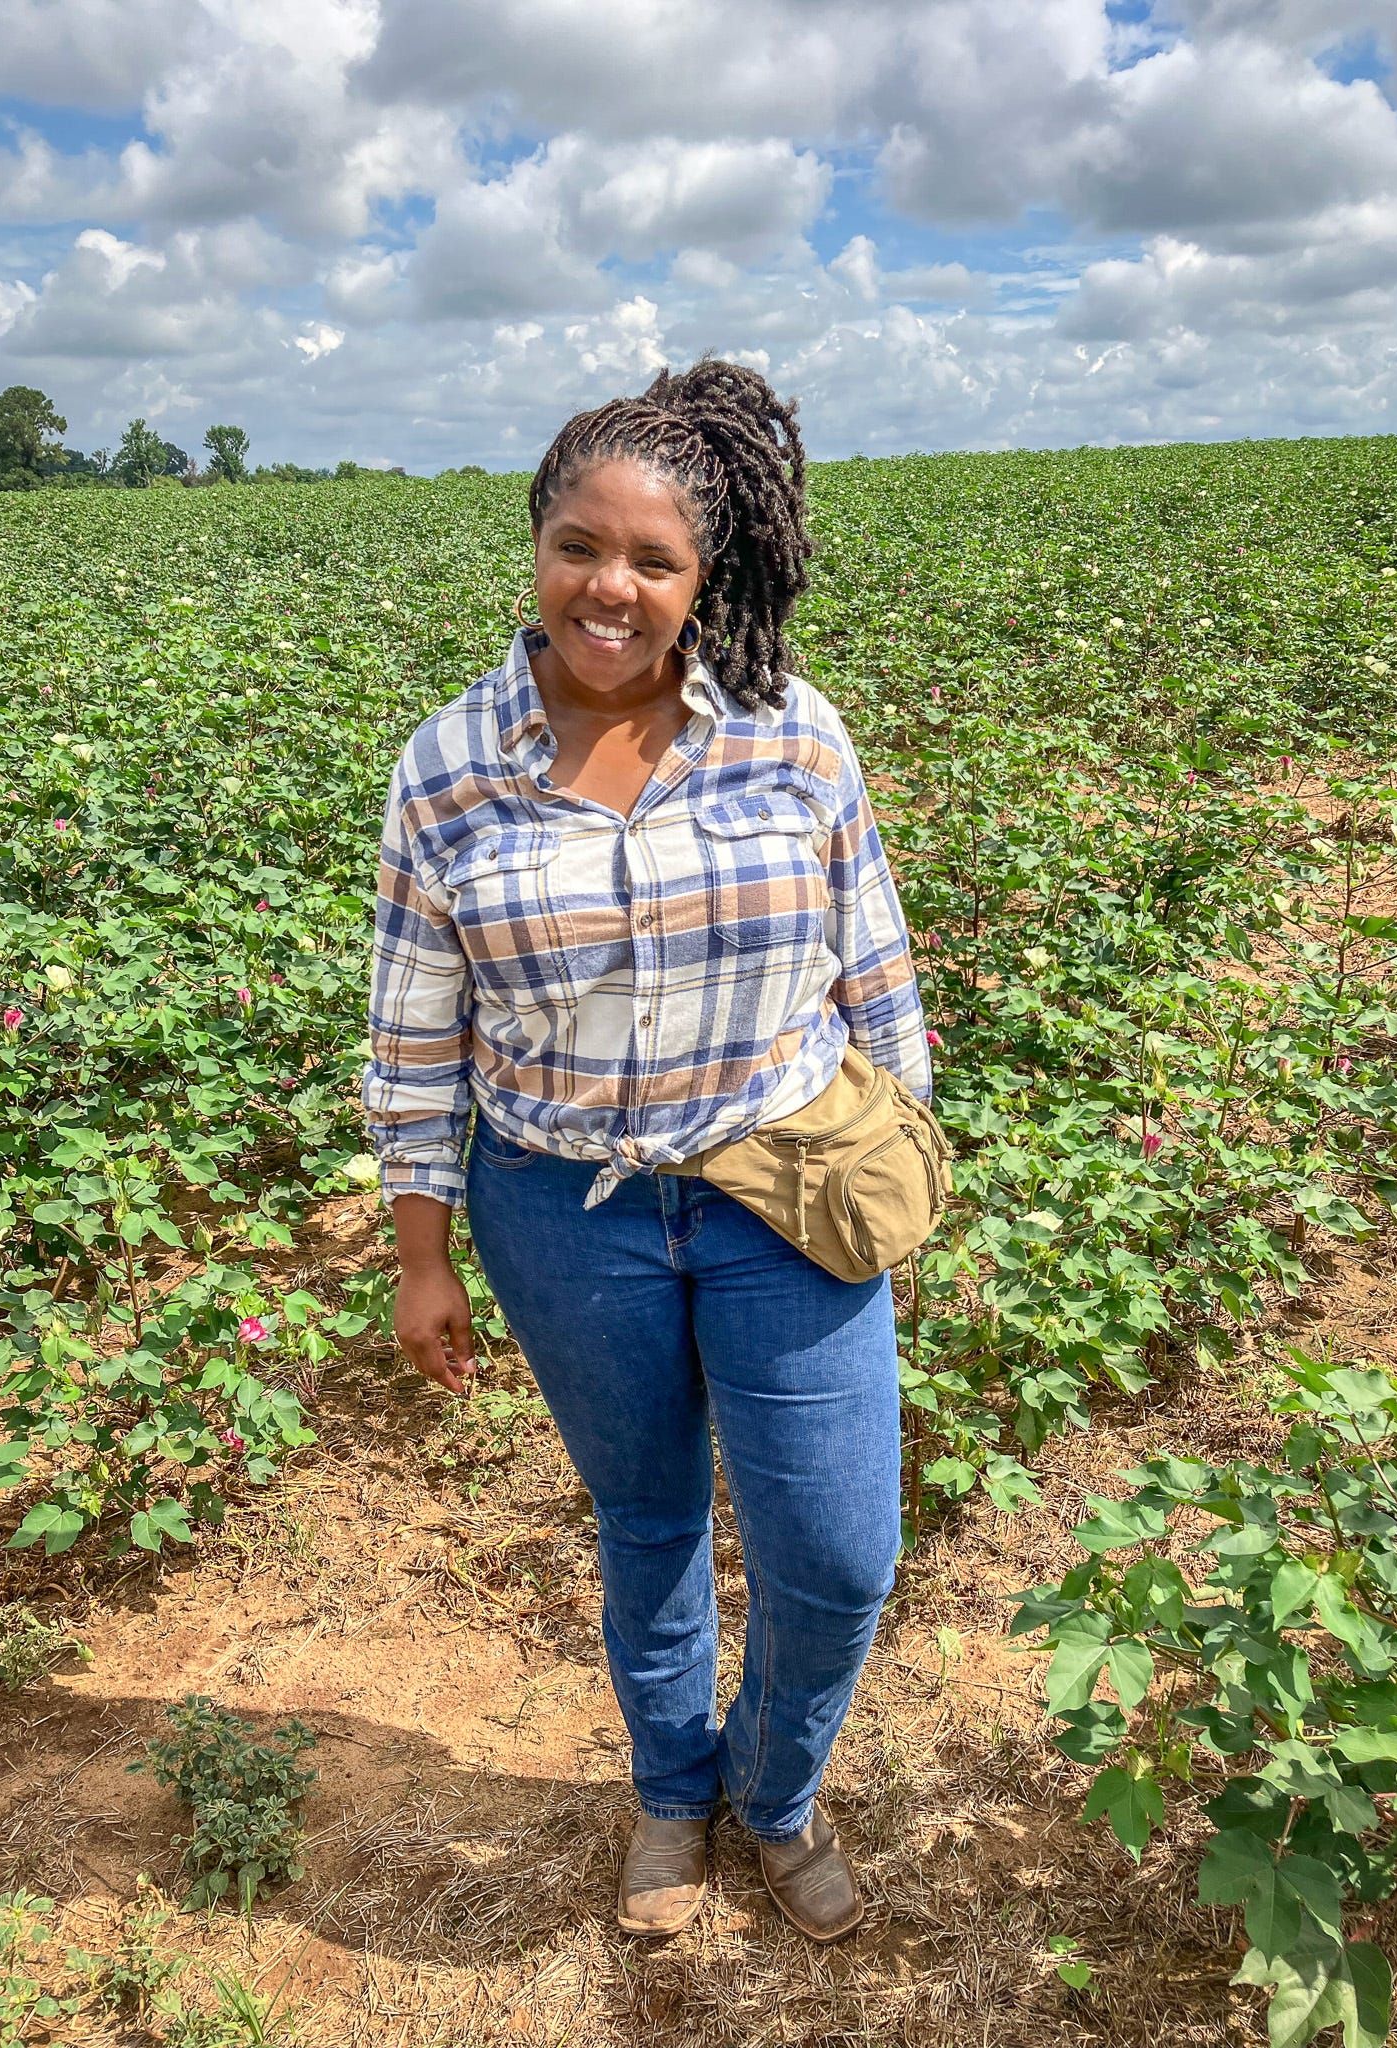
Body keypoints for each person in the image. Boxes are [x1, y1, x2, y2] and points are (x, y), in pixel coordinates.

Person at [363, 359, 931, 1944]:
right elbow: (416, 1030)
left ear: (707, 577)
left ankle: (780, 1787)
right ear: (536, 545)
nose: (609, 587)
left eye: (654, 561)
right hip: (561, 1211)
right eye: (577, 545)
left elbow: (873, 970)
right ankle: (675, 1793)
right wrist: (422, 1254)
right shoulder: (448, 768)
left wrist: (910, 1165)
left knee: (836, 1554)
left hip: (784, 1191)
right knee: (652, 1521)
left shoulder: (791, 738)